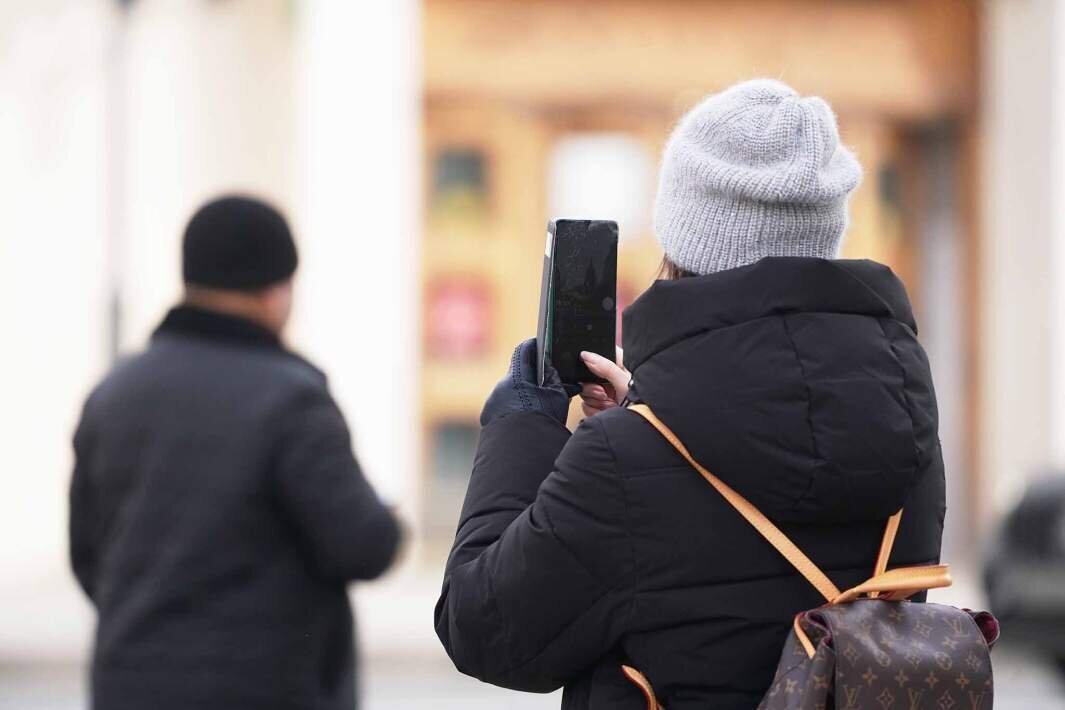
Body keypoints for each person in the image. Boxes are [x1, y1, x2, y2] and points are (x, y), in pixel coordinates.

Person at [435, 79, 944, 709]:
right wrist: (646, 419)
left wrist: (521, 422)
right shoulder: (907, 428)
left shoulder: (624, 459)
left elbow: (483, 628)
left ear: (685, 238)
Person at [70, 196, 401, 710]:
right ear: (276, 290)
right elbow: (362, 545)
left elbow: (87, 556)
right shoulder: (290, 399)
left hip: (128, 685)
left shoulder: (113, 393)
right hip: (262, 688)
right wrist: (390, 519)